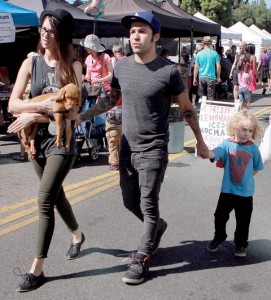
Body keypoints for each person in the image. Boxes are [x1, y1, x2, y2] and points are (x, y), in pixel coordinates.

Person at [76, 11, 210, 284]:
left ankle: (142, 257)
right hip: (127, 148)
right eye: (132, 31)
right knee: (129, 201)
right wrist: (80, 117)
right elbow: (111, 101)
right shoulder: (122, 67)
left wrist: (200, 141)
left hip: (153, 149)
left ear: (156, 37)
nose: (135, 36)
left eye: (142, 31)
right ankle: (158, 227)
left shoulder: (169, 71)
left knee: (149, 205)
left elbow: (187, 110)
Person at [7, 9, 84, 292]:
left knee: (43, 200)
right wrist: (39, 110)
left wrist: (32, 115)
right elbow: (14, 105)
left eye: (51, 30)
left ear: (61, 35)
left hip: (62, 142)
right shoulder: (31, 61)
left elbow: (73, 113)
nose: (44, 33)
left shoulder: (74, 67)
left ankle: (36, 269)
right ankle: (77, 235)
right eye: (43, 28)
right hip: (36, 142)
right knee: (55, 194)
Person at [207, 110, 264, 258]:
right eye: (244, 129)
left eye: (250, 130)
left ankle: (240, 244)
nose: (247, 133)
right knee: (219, 216)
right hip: (227, 191)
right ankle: (219, 236)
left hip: (245, 194)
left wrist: (245, 178)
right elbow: (216, 152)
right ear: (235, 128)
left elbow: (257, 167)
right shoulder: (227, 144)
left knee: (243, 221)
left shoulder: (253, 148)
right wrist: (207, 153)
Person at [80, 34, 113, 149]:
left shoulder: (105, 57)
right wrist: (83, 77)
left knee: (102, 115)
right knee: (92, 114)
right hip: (93, 90)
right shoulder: (88, 58)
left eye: (87, 47)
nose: (86, 49)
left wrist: (100, 80)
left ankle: (107, 139)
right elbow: (89, 76)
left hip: (104, 89)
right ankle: (96, 141)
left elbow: (111, 75)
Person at [105, 44, 125, 170]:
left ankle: (114, 162)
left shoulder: (115, 65)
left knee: (112, 137)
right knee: (121, 138)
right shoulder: (127, 64)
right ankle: (120, 161)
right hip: (124, 110)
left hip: (114, 110)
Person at [193, 36, 221, 100]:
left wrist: (194, 79)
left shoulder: (199, 54)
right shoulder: (215, 53)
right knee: (211, 97)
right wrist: (218, 77)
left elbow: (196, 67)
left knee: (202, 97)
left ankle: (203, 109)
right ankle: (209, 108)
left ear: (203, 43)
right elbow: (218, 67)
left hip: (201, 77)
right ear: (210, 44)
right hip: (211, 77)